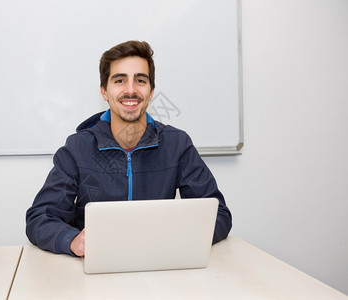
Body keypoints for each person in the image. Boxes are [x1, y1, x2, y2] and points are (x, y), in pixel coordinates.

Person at [26, 40, 232, 257]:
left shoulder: (177, 144)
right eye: (120, 80)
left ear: (151, 91)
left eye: (140, 80)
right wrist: (72, 240)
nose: (131, 90)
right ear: (104, 91)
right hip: (94, 269)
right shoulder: (77, 149)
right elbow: (40, 217)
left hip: (159, 266)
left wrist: (177, 238)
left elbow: (219, 214)